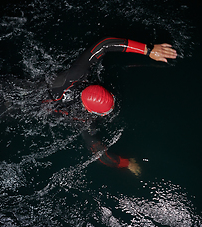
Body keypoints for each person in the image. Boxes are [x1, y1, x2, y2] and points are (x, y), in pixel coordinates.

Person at [43, 37, 177, 176]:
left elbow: (105, 44)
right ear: (89, 110)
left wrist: (148, 50)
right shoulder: (84, 120)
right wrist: (127, 163)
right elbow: (101, 157)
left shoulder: (75, 75)